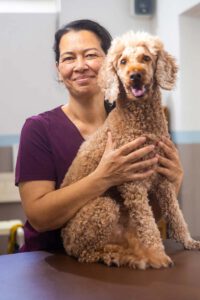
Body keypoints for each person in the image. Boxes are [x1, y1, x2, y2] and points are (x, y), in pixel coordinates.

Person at [15, 19, 183, 252]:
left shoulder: (138, 126)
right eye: (68, 58)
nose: (80, 65)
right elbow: (40, 218)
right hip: (48, 264)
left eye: (90, 55)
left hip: (115, 258)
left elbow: (143, 215)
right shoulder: (38, 129)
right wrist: (104, 177)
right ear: (58, 68)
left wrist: (173, 181)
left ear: (110, 62)